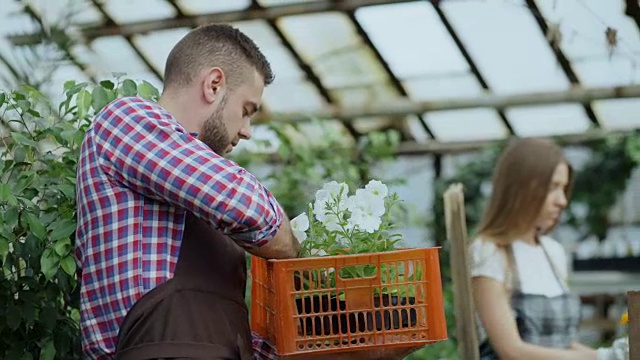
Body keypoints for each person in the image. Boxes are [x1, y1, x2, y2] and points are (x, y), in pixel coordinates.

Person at [74, 24, 301, 359]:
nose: (246, 131)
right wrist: (302, 254)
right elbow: (249, 208)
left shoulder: (199, 196)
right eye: (246, 110)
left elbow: (225, 336)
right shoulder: (126, 120)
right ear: (213, 85)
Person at [469, 138, 624, 360]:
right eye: (553, 188)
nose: (562, 201)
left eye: (564, 189)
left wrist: (611, 354)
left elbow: (562, 344)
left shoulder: (552, 252)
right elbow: (512, 351)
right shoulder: (489, 251)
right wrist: (601, 358)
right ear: (521, 187)